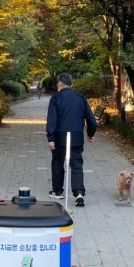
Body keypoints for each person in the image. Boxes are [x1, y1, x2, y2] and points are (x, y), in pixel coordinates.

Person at [46, 73, 97, 206]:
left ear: (59, 84)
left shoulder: (55, 99)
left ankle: (58, 191)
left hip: (59, 137)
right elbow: (91, 119)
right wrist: (91, 133)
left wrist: (50, 138)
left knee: (58, 162)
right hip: (77, 136)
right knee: (76, 164)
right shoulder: (81, 98)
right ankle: (79, 193)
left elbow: (52, 120)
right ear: (71, 84)